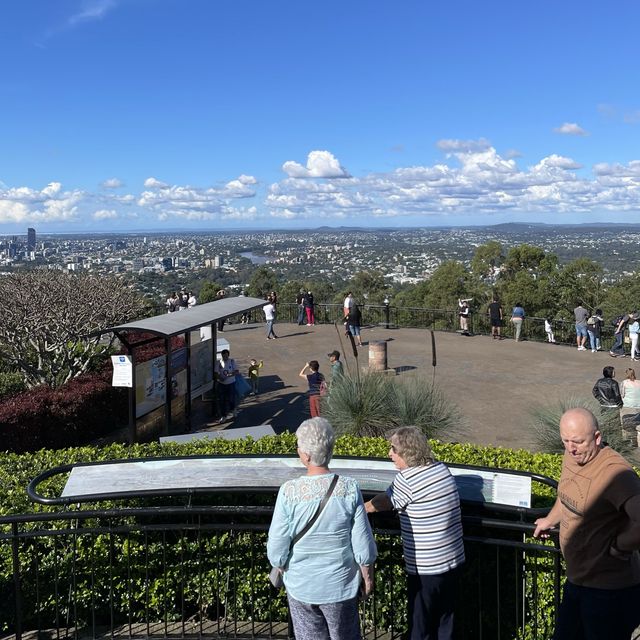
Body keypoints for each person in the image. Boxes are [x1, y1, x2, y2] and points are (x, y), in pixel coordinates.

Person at [533, 408, 640, 640]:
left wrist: (620, 546)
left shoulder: (616, 474)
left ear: (597, 438)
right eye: (566, 441)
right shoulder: (572, 456)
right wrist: (550, 520)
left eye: (578, 442)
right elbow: (567, 495)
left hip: (608, 590)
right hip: (577, 579)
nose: (571, 449)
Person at [267, 418, 377, 640]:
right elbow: (362, 542)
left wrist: (279, 564)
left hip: (302, 586)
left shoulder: (289, 491)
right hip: (341, 585)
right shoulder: (349, 487)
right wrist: (368, 576)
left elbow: (277, 548)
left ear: (306, 456)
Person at [365, 427, 465, 640]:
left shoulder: (407, 479)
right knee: (445, 622)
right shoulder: (440, 468)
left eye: (393, 449)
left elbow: (382, 503)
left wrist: (360, 508)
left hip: (427, 569)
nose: (389, 454)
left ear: (407, 452)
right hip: (453, 560)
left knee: (420, 626)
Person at [215, 349, 238, 422]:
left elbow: (236, 371)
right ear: (221, 355)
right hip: (222, 384)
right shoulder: (219, 362)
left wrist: (229, 375)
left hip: (231, 383)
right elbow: (215, 373)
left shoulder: (232, 361)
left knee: (231, 398)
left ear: (228, 355)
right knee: (222, 401)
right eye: (223, 356)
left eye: (226, 356)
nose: (225, 357)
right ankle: (223, 416)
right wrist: (220, 378)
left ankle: (233, 409)